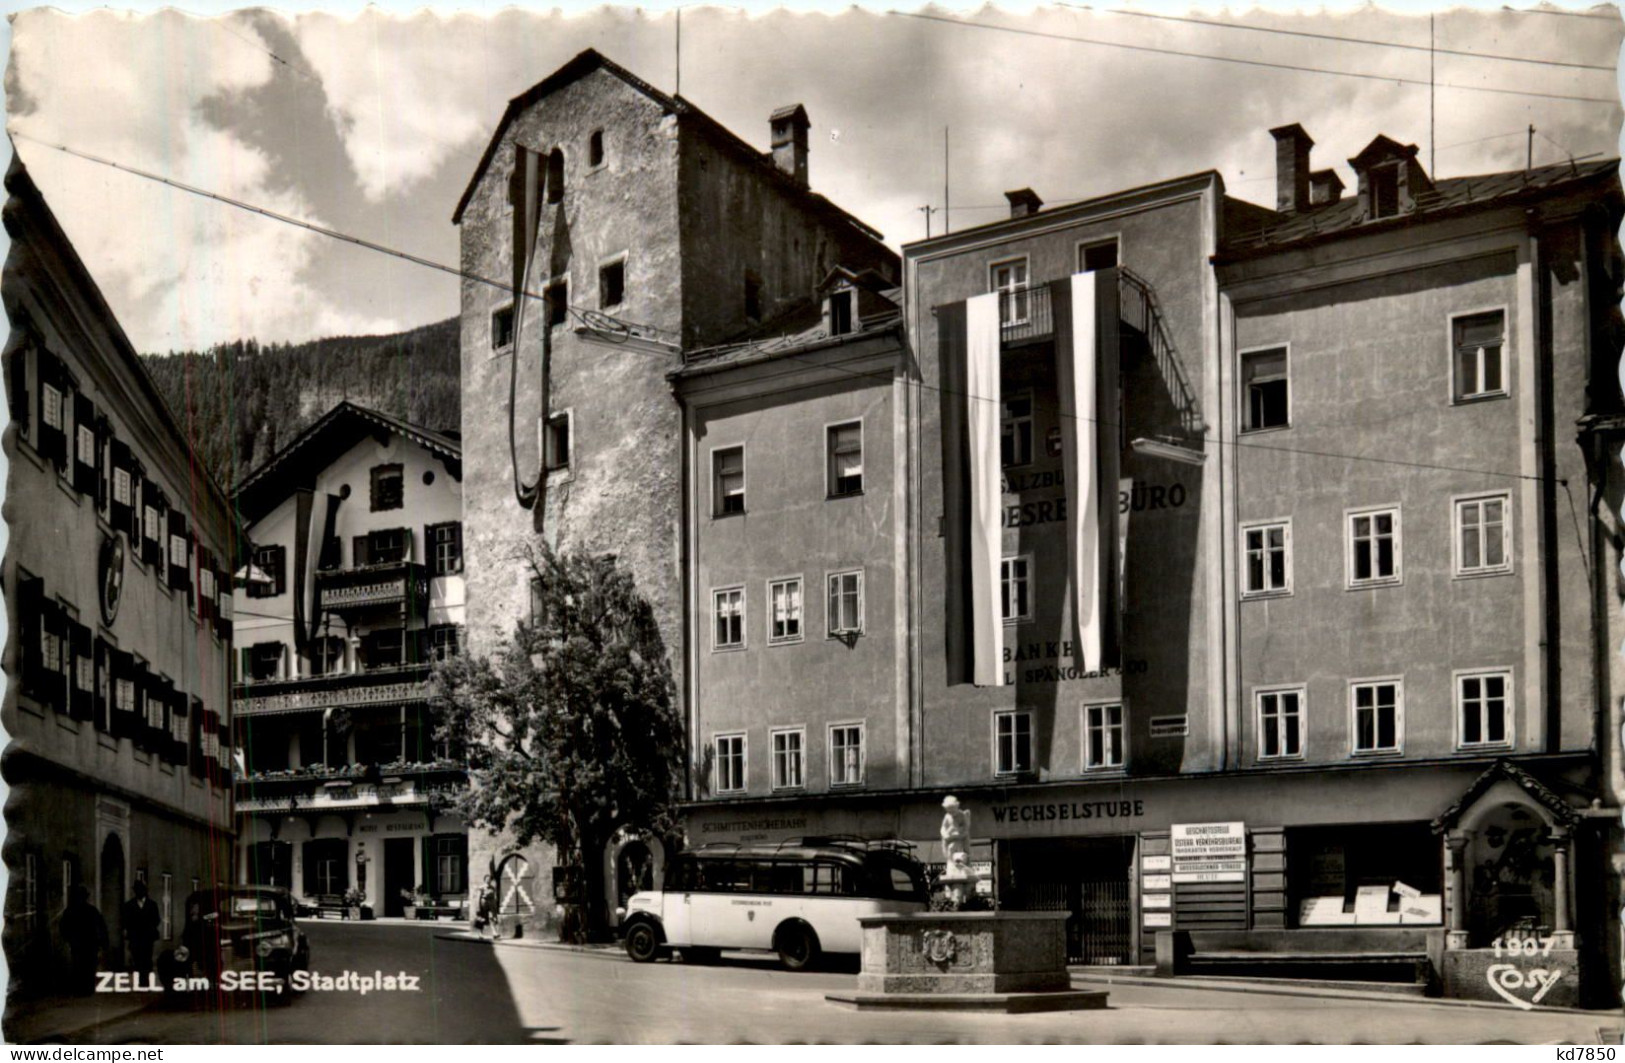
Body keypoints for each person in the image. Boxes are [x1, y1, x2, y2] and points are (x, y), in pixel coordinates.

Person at [59, 885, 107, 995]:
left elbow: (63, 927)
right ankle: (86, 988)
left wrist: (69, 939)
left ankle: (82, 988)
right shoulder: (91, 911)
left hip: (82, 944)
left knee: (82, 965)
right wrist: (102, 942)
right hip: (87, 944)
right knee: (87, 965)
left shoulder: (71, 911)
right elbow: (101, 928)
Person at [122, 881, 161, 975]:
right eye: (136, 890)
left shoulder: (152, 905)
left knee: (147, 958)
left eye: (140, 890)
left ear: (144, 891)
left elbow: (157, 919)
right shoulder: (129, 905)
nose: (138, 892)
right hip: (135, 937)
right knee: (137, 958)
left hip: (148, 937)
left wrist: (149, 927)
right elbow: (125, 921)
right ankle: (140, 978)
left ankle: (146, 980)